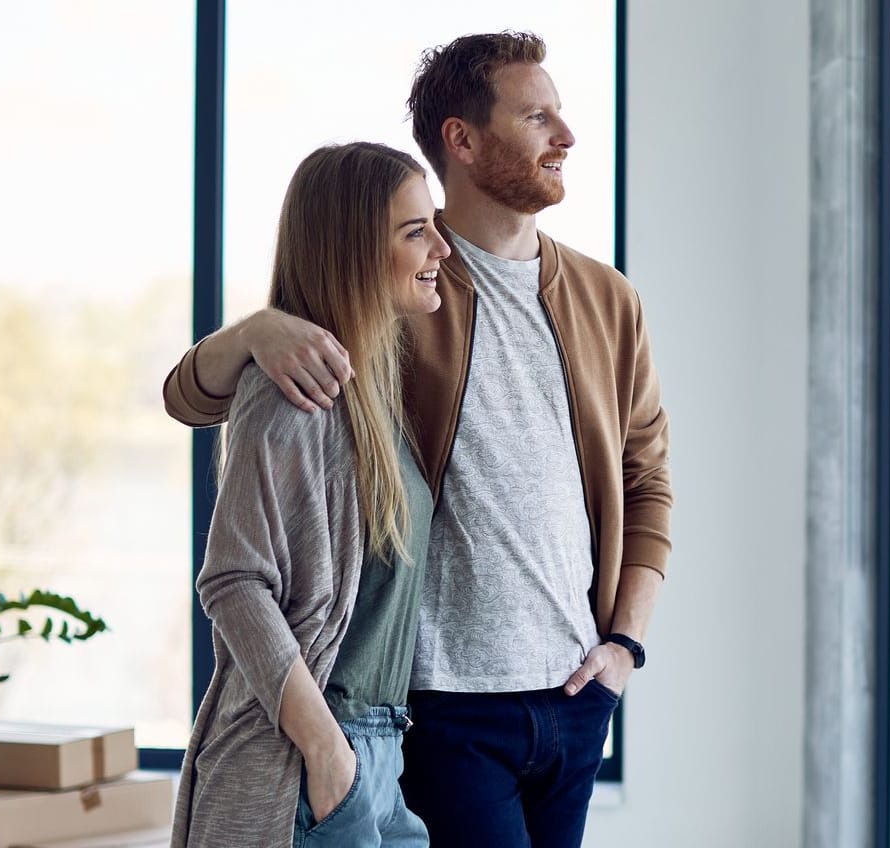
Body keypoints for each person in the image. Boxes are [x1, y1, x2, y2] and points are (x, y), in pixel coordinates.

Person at [163, 31, 672, 848]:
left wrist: (622, 648)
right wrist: (254, 330)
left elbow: (646, 478)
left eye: (561, 115)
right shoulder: (402, 285)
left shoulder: (607, 301)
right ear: (461, 140)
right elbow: (195, 403)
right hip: (439, 705)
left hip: (577, 699)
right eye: (536, 116)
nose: (565, 137)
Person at [169, 141, 450, 848]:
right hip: (308, 761)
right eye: (414, 232)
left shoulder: (370, 389)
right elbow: (233, 581)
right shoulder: (295, 391)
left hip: (379, 753)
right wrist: (327, 755)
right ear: (353, 250)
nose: (440, 248)